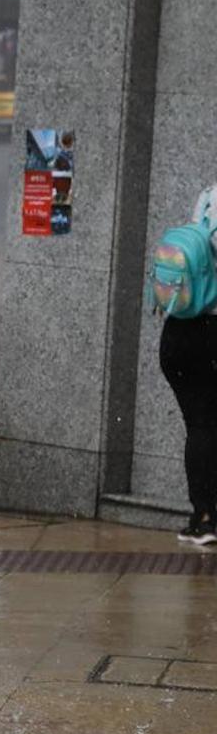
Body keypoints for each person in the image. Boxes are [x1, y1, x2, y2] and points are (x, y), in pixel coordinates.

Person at [161, 184, 217, 546]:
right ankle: (208, 516)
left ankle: (203, 515)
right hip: (210, 332)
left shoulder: (209, 193)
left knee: (201, 424)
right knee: (206, 425)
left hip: (182, 327)